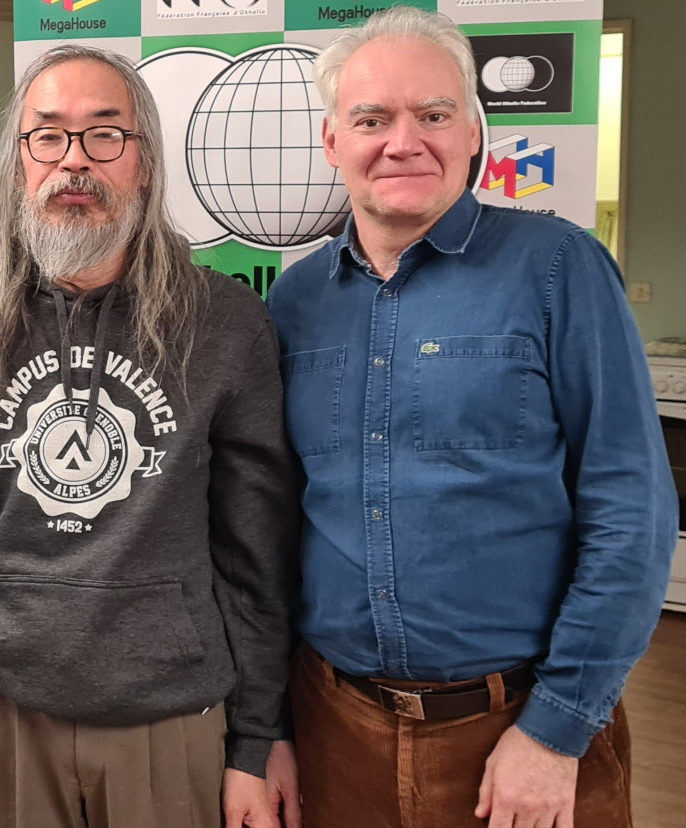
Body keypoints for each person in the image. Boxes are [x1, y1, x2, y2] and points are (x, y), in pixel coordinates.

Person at [264, 7, 676, 828]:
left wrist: (556, 733)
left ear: (474, 131)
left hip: (521, 735)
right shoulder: (294, 300)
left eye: (434, 114)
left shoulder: (559, 268)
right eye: (372, 118)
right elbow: (272, 525)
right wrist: (269, 728)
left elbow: (632, 512)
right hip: (333, 731)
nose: (402, 140)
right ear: (332, 141)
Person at [0, 44, 298, 828]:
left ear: (145, 162)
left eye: (105, 135)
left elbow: (257, 552)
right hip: (6, 707)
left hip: (171, 718)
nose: (75, 163)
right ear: (20, 162)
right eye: (48, 136)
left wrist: (257, 740)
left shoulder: (226, 324)